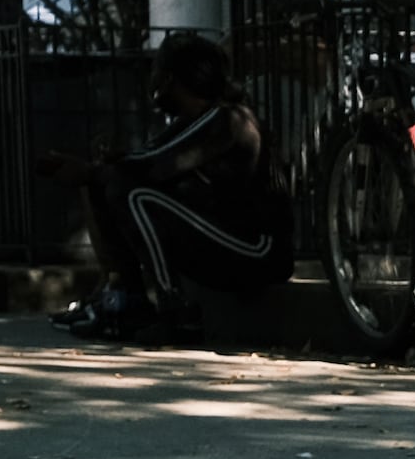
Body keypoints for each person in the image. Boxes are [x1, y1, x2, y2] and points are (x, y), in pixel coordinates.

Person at [70, 30, 288, 342]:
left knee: (133, 195)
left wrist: (98, 170)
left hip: (258, 249)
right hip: (230, 239)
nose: (153, 82)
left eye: (157, 72)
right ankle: (125, 295)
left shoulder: (226, 119)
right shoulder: (195, 120)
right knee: (112, 179)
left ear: (170, 79)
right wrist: (102, 167)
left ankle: (176, 311)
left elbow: (157, 164)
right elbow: (144, 158)